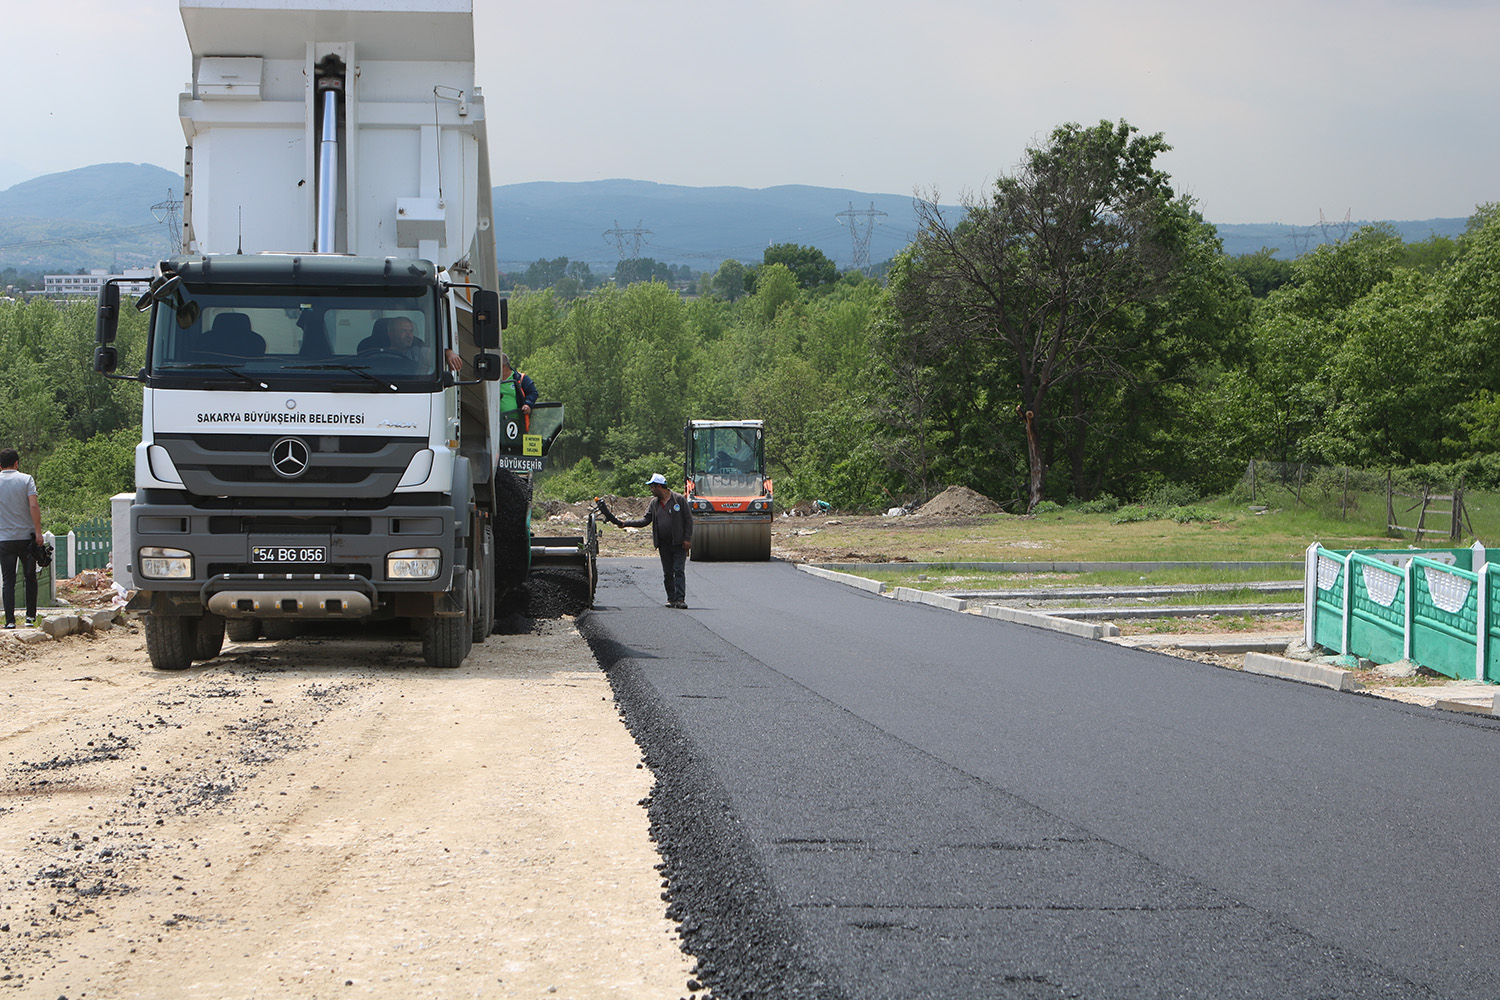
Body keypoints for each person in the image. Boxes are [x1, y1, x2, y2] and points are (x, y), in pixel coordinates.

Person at [600, 473, 693, 608]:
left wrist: (687, 539)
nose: (651, 490)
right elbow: (645, 520)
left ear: (659, 486)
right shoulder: (654, 504)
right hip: (663, 543)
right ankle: (671, 598)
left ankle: (680, 599)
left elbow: (688, 520)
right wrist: (626, 523)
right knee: (667, 572)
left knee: (678, 570)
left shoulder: (679, 500)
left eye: (652, 487)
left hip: (678, 543)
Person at [0, 448, 45, 629]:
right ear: (17, 463)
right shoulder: (26, 479)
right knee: (30, 577)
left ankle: (10, 621)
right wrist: (38, 531)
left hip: (4, 538)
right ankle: (30, 618)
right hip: (26, 538)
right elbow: (33, 505)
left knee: (8, 579)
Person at [362, 316, 462, 372]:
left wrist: (447, 352)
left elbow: (434, 356)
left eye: (411, 331)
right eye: (403, 331)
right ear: (391, 333)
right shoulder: (377, 355)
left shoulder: (418, 353)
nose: (409, 335)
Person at [499, 353, 537, 419]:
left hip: (517, 423)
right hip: (497, 422)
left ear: (503, 367)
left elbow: (533, 392)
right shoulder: (491, 381)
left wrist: (527, 404)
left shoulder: (520, 378)